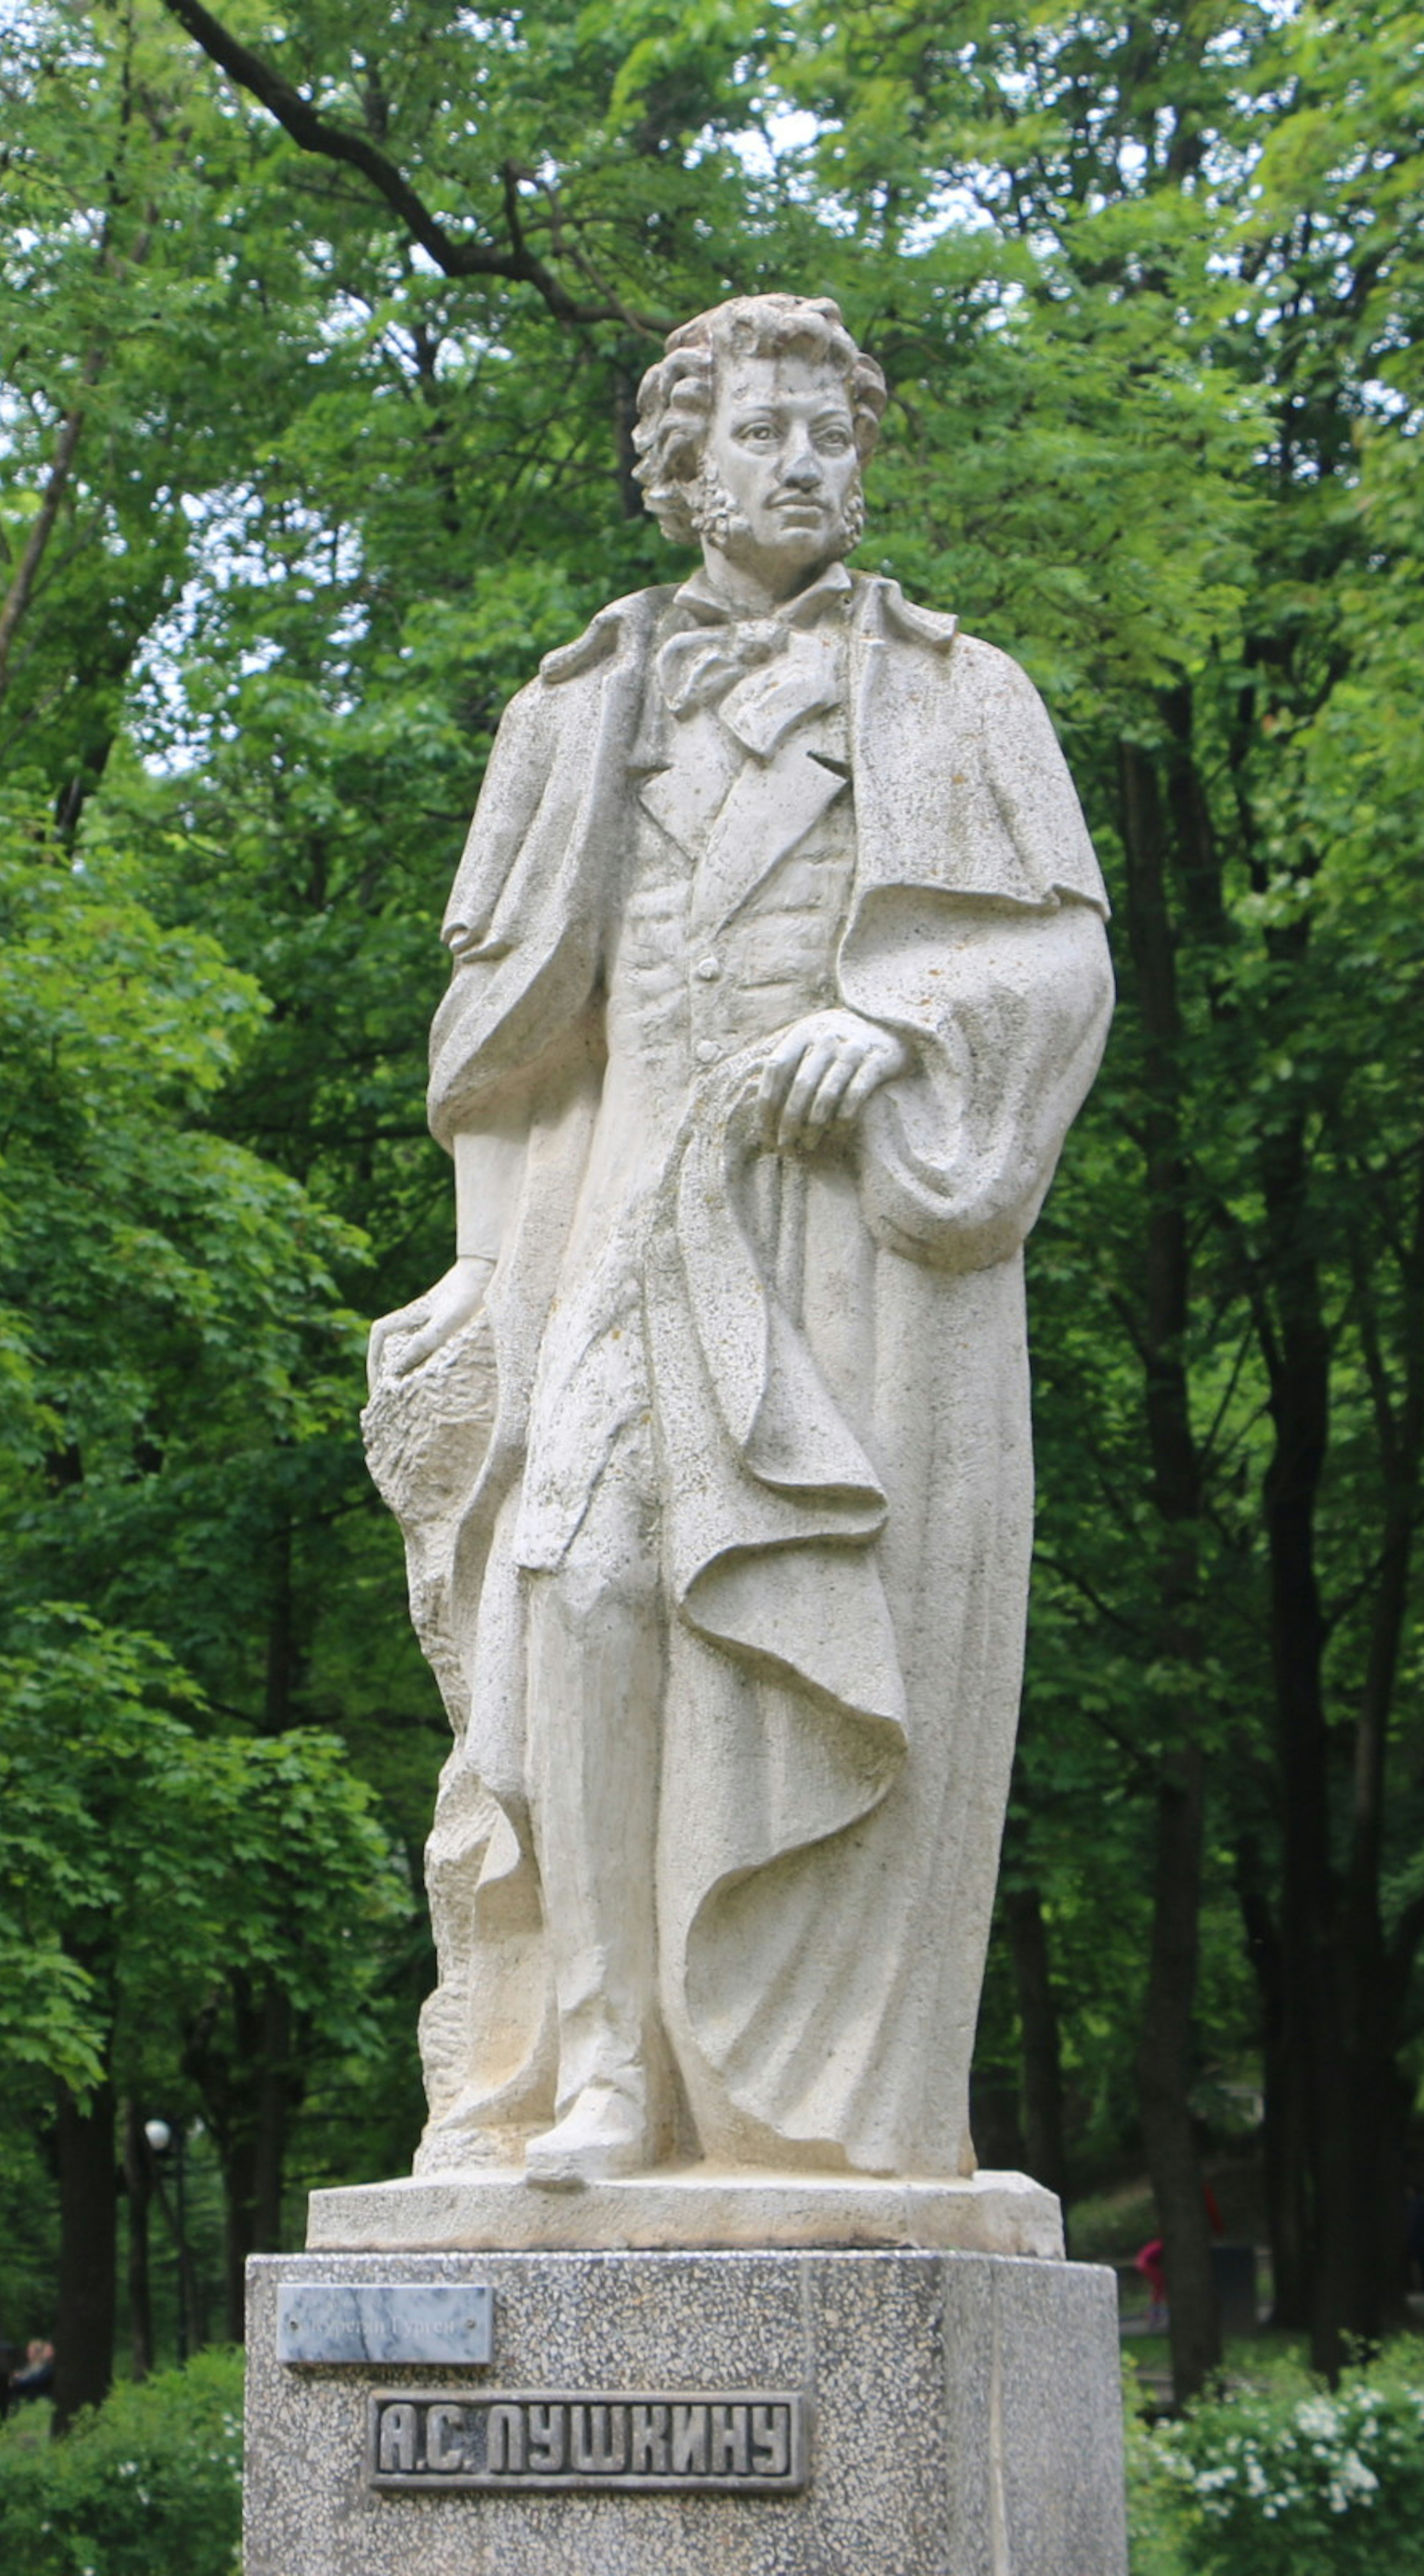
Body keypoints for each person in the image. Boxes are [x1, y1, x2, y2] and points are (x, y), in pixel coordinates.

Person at [365, 293, 1113, 2186]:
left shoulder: (960, 695)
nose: (805, 463)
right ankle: (603, 2070)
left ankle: (770, 2081)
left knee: (768, 1639)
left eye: (833, 436)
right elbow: (504, 1050)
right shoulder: (573, 708)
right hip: (623, 1212)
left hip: (838, 1235)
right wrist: (482, 1287)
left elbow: (1055, 960)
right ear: (681, 463)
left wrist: (905, 1022)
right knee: (575, 1592)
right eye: (765, 432)